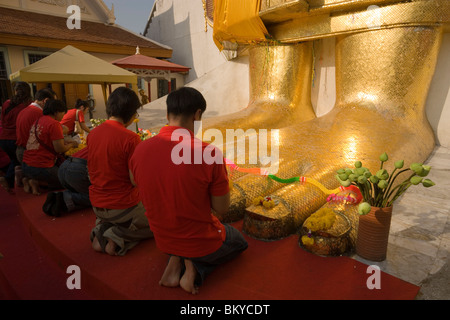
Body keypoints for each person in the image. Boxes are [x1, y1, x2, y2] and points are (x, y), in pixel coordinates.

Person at [129, 87, 248, 295]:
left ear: (167, 115)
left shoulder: (140, 149)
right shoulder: (208, 153)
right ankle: (196, 268)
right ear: (198, 114)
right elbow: (221, 208)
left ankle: (175, 260)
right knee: (238, 241)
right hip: (198, 241)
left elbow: (134, 180)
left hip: (162, 239)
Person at [87, 87, 153, 256]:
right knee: (162, 224)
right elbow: (134, 180)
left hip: (97, 205)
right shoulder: (130, 138)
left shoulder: (92, 134)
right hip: (123, 207)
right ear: (131, 113)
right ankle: (117, 235)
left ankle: (101, 231)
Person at [22, 99, 78, 195]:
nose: (63, 116)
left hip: (26, 164)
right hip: (41, 166)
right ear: (56, 112)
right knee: (67, 183)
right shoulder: (54, 124)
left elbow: (46, 140)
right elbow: (59, 149)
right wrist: (73, 144)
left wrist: (65, 141)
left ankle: (30, 179)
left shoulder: (38, 121)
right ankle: (38, 183)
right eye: (62, 113)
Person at [0, 82, 32, 193]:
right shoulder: (26, 105)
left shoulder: (6, 103)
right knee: (23, 161)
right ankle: (26, 180)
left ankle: (9, 180)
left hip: (3, 138)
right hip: (15, 138)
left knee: (15, 160)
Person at [42, 146, 91, 217]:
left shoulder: (98, 141)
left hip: (65, 165)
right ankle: (65, 198)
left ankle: (57, 199)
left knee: (79, 191)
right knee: (98, 197)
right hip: (78, 170)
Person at [16, 88, 55, 164]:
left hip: (20, 150)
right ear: (46, 101)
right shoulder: (39, 113)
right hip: (31, 154)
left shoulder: (24, 110)